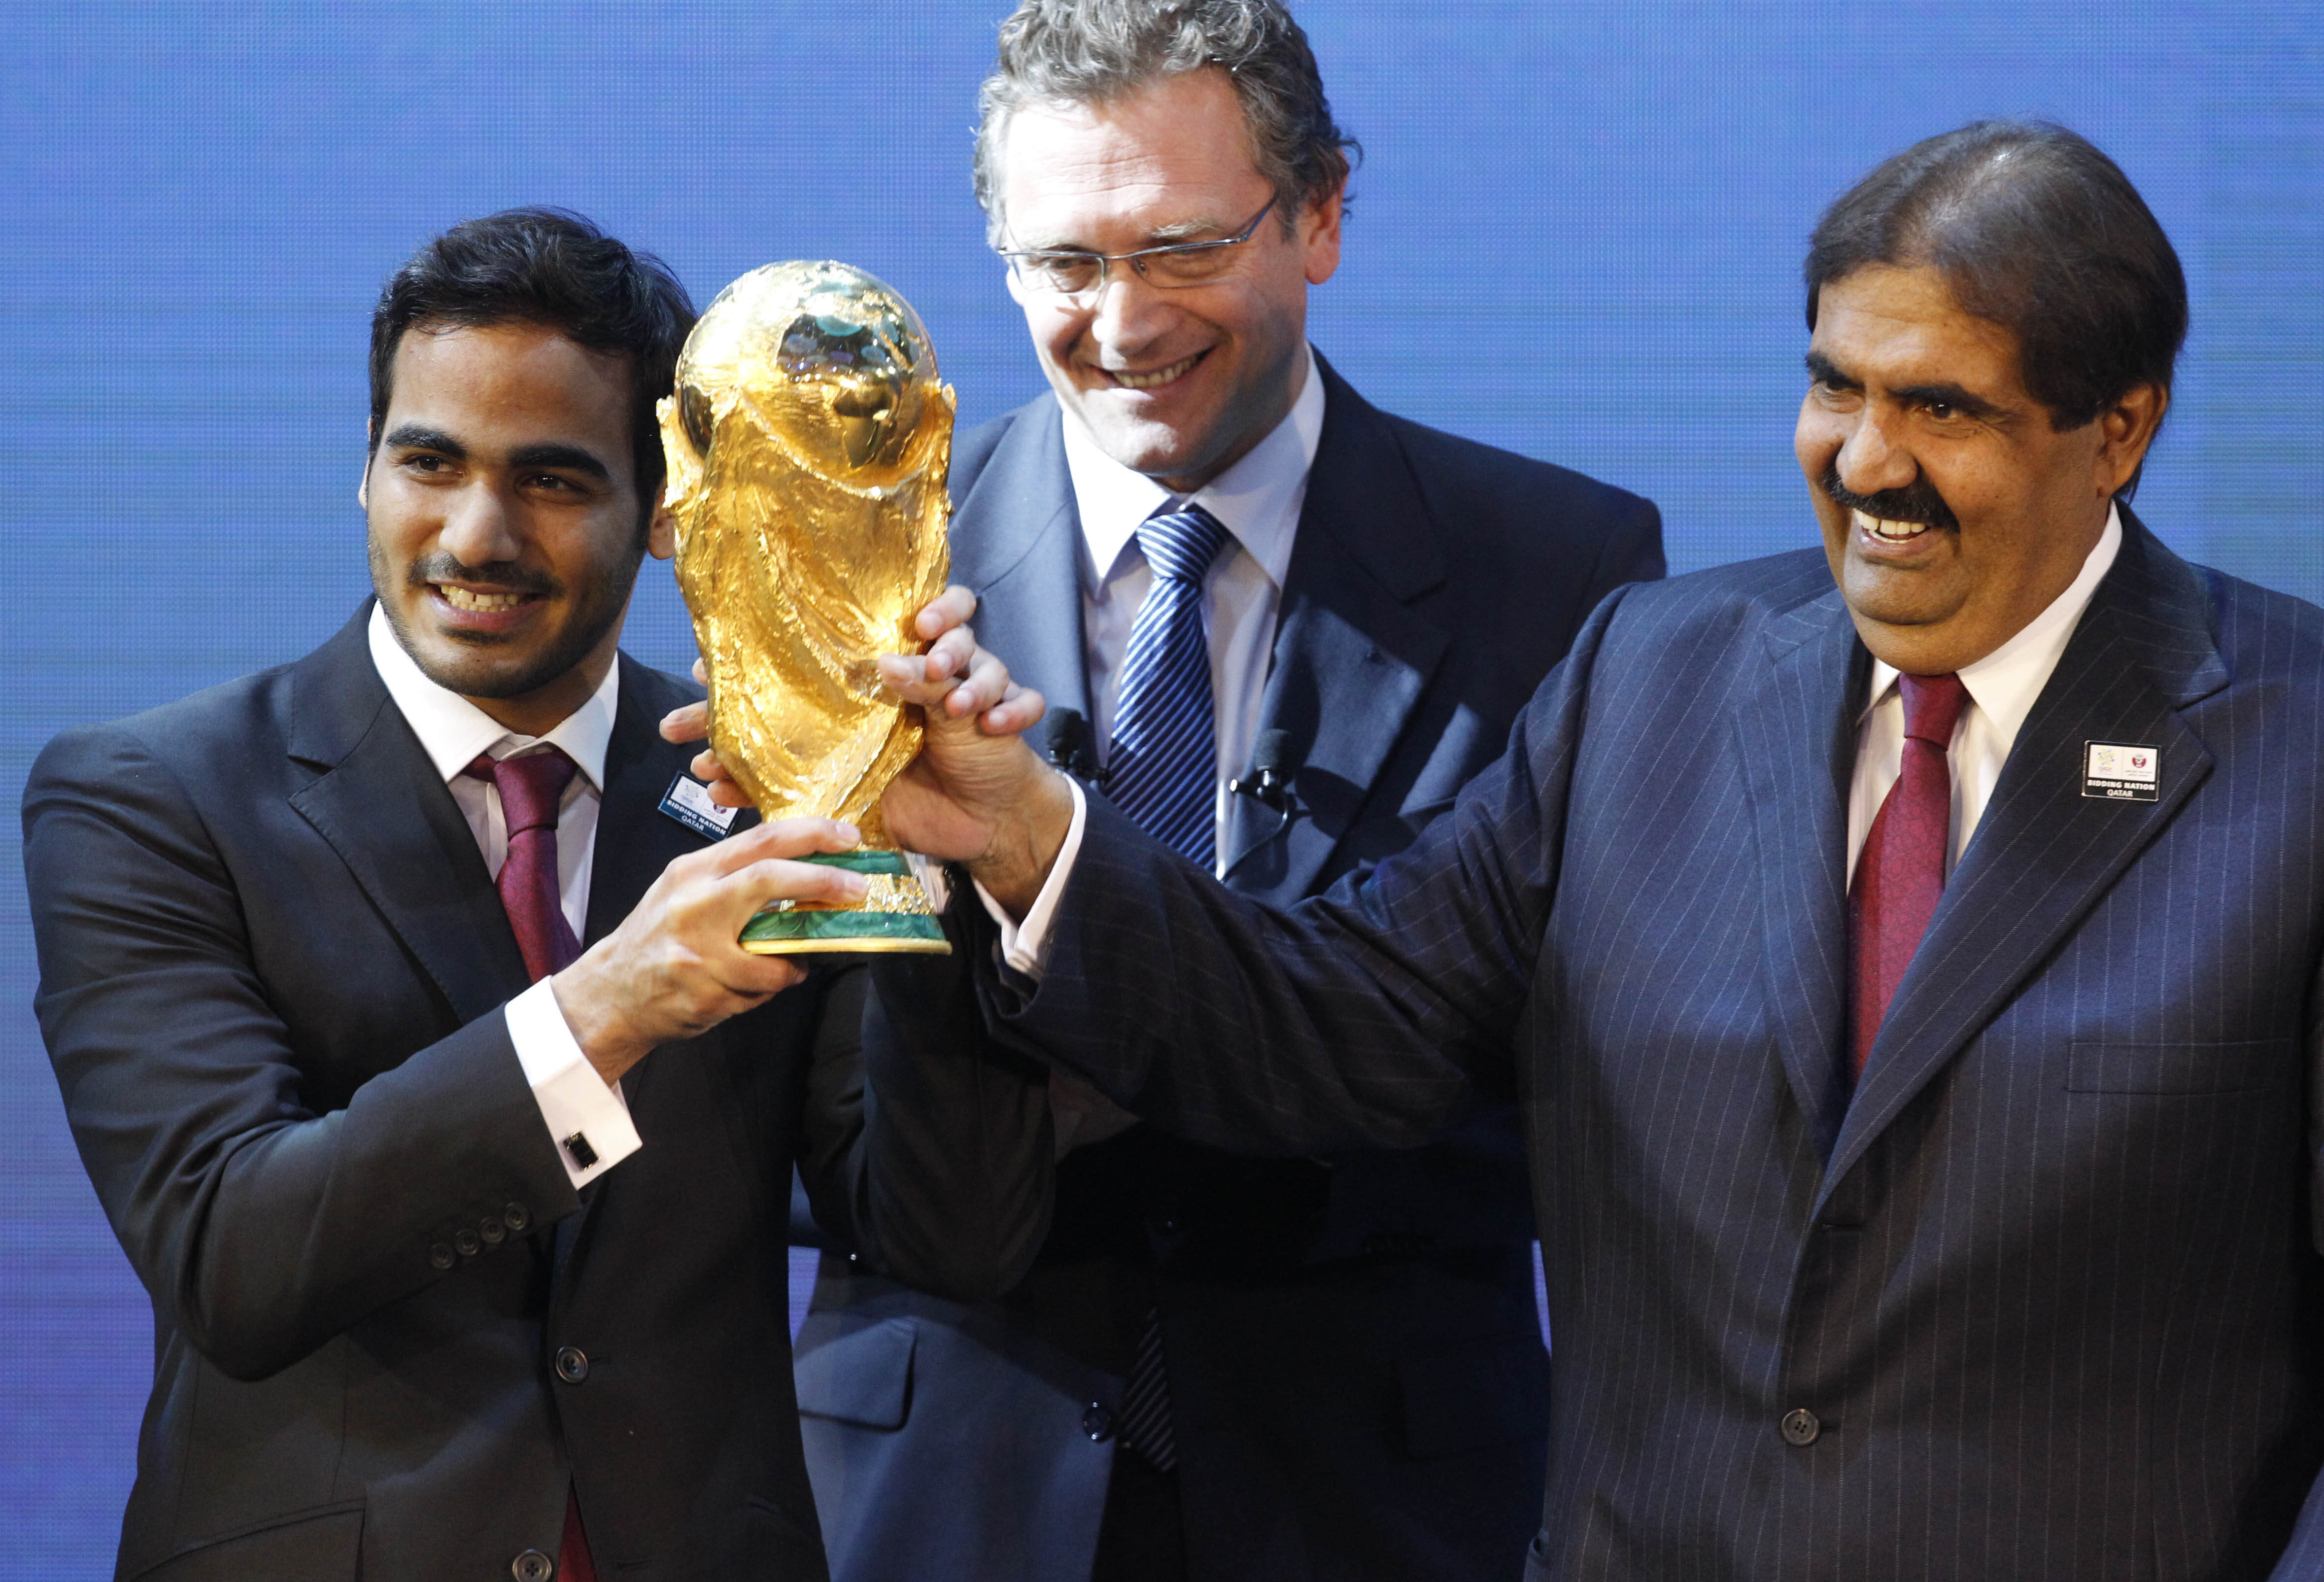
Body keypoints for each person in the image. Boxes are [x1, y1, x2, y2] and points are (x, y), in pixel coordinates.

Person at [871, 121, 2324, 1580]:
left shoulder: (2293, 748)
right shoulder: (1653, 671)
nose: (1866, 461)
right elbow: (1338, 1015)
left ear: (2116, 431)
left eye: (1940, 407)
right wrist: (1026, 833)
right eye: (1834, 385)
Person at [766, 3, 1661, 1579]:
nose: (1120, 324)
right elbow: (812, 1130)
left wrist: (1086, 953)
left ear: (1318, 212)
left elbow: (1536, 1093)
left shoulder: (1562, 573)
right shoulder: (861, 594)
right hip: (949, 1502)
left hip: (1376, 1504)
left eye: (1177, 249)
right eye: (1065, 264)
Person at [23, 207, 1034, 1582]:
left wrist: (947, 868)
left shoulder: (780, 782)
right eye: (426, 462)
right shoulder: (150, 796)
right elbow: (231, 1255)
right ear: (365, 472)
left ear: (665, 508)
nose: (477, 533)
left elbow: (947, 1232)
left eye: (553, 479)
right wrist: (604, 1009)